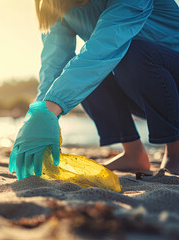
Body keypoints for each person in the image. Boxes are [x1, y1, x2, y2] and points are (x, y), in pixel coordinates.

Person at [9, 0, 179, 180]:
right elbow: (54, 66)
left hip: (170, 75)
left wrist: (50, 108)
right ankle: (133, 153)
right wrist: (39, 115)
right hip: (141, 88)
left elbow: (107, 44)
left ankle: (175, 151)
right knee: (79, 71)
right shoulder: (56, 5)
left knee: (127, 53)